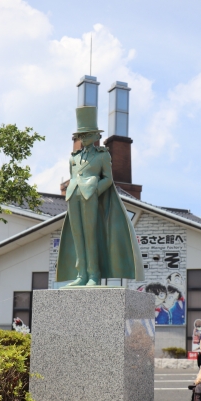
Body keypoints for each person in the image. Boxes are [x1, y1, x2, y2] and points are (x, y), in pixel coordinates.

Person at [56, 106, 144, 287]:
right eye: (81, 135)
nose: (84, 139)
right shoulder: (74, 157)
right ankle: (81, 274)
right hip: (73, 196)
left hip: (90, 196)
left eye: (88, 135)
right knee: (77, 236)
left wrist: (95, 191)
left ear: (97, 136)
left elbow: (108, 179)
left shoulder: (102, 155)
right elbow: (73, 177)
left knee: (91, 236)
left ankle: (93, 274)